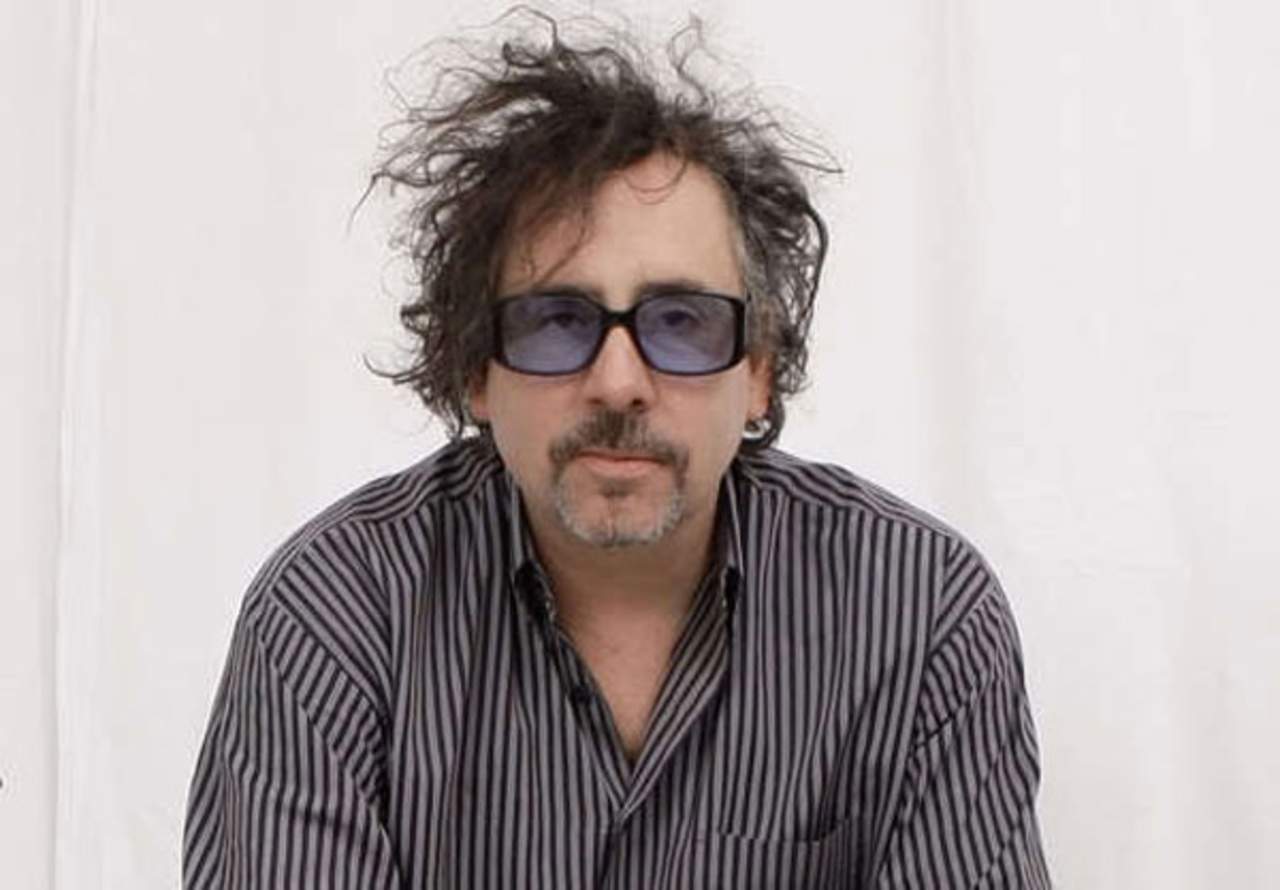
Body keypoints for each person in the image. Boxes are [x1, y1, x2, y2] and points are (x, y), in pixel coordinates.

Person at [183, 11, 1050, 888]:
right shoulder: (330, 617)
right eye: (557, 321)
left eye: (682, 322)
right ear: (475, 370)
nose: (619, 381)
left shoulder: (922, 612)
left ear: (758, 371)